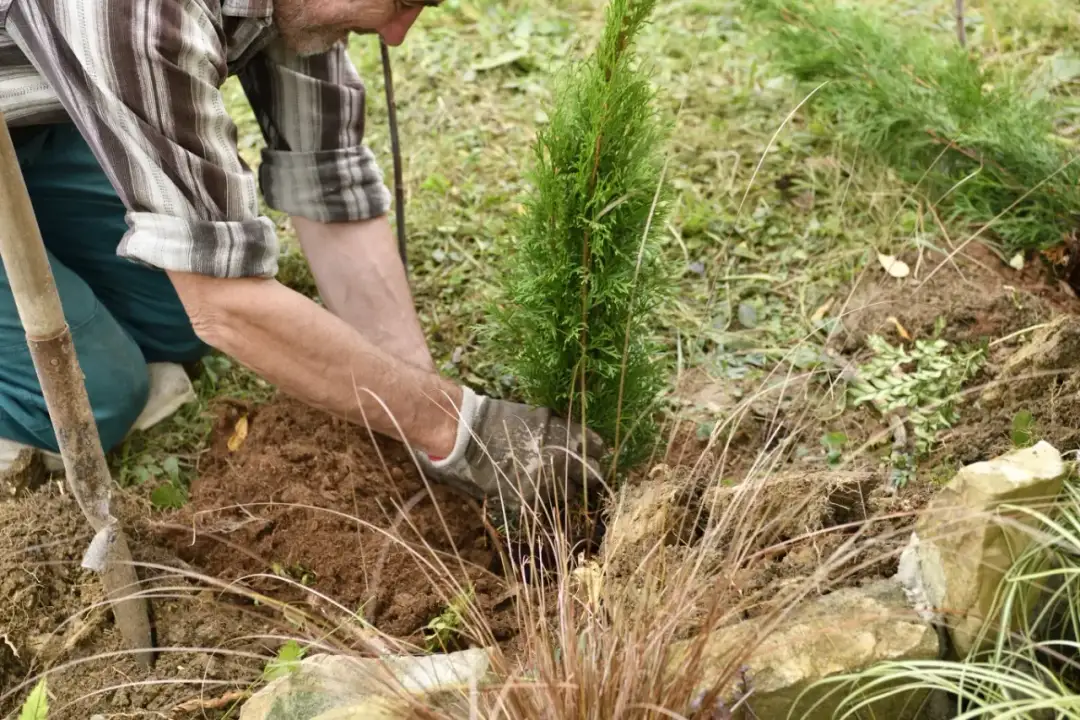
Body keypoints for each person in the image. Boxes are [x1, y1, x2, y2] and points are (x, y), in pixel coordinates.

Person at [0, 0, 603, 510]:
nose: (396, 34)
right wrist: (461, 428)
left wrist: (432, 415)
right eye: (400, 3)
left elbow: (328, 180)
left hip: (37, 125)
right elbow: (224, 304)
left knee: (170, 314)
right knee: (96, 395)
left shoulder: (294, 8)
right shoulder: (137, 13)